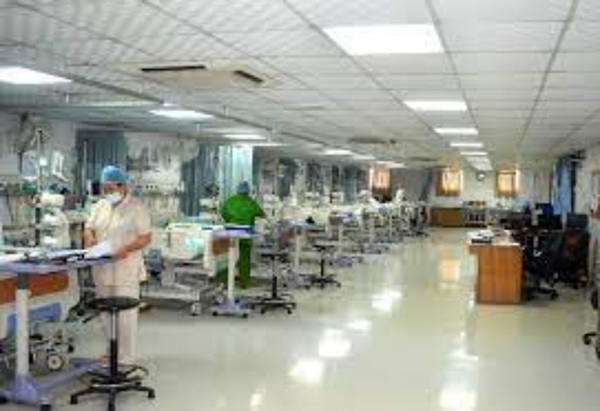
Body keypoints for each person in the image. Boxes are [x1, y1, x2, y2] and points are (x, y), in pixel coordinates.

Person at [84, 165, 152, 365]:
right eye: (105, 188)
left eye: (111, 188)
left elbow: (145, 237)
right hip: (102, 266)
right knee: (105, 311)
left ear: (122, 186)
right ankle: (112, 351)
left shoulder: (137, 208)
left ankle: (126, 356)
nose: (107, 192)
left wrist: (126, 249)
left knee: (125, 316)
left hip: (125, 267)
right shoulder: (100, 205)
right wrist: (89, 237)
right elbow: (89, 227)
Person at [220, 181, 265, 289]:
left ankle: (224, 282)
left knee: (227, 258)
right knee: (244, 259)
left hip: (230, 233)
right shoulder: (251, 202)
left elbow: (223, 213)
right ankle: (244, 283)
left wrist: (231, 220)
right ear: (248, 191)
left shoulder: (230, 201)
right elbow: (262, 214)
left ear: (237, 189)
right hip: (245, 234)